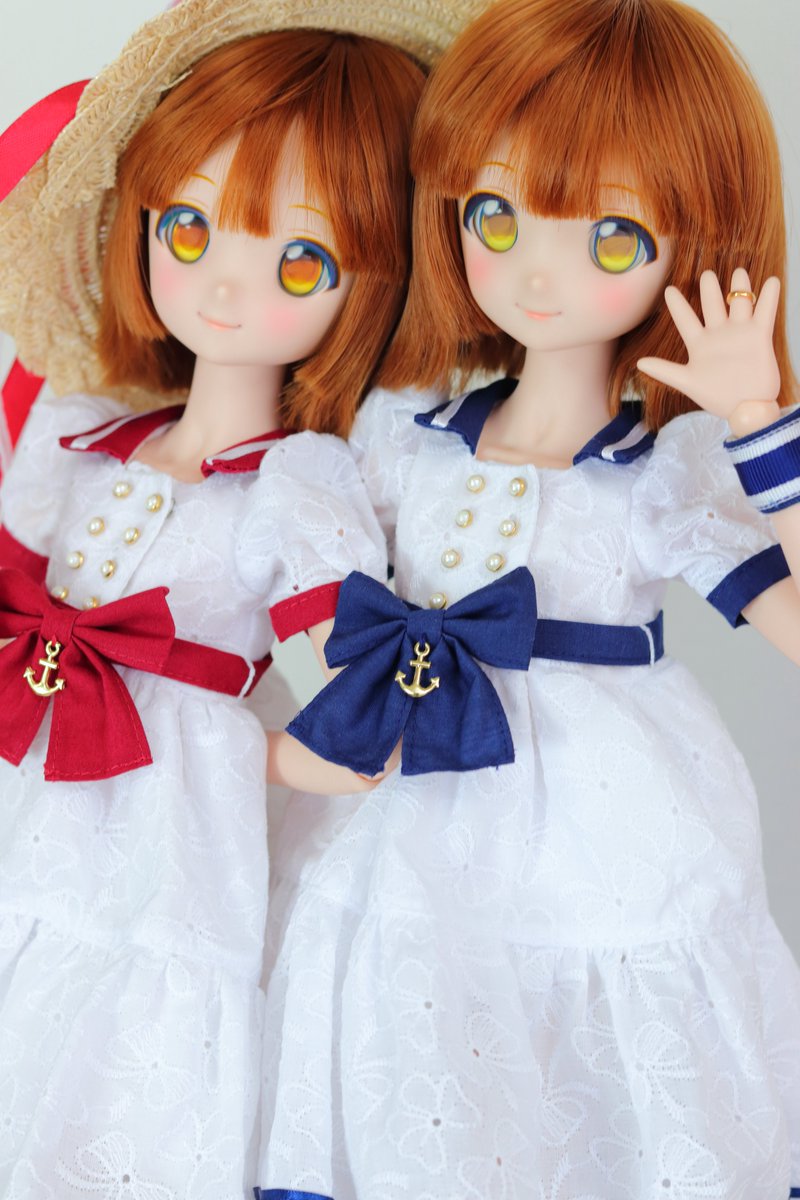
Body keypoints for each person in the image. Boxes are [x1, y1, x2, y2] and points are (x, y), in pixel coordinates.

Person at [260, 1, 800, 1196]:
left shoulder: (662, 471)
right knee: (412, 1026)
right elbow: (292, 578)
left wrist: (761, 423)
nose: (534, 271)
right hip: (410, 794)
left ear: (694, 244)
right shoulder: (401, 433)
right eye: (495, 217)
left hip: (608, 809)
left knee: (586, 1044)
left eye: (609, 234)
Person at [0, 0, 481, 1190]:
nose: (223, 284)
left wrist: (239, 752)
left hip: (162, 847)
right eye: (188, 225)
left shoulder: (296, 483)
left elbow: (363, 703)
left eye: (299, 260)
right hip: (24, 788)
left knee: (112, 1076)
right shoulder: (77, 429)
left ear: (381, 282)